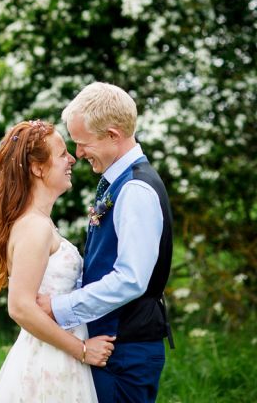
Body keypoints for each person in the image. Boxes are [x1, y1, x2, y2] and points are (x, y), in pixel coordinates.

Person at [36, 82, 174, 403]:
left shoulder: (136, 189)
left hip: (126, 349)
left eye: (83, 143)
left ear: (113, 135)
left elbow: (131, 279)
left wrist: (59, 308)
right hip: (114, 345)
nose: (78, 153)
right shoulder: (116, 182)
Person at [0, 119, 115, 403]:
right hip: (48, 363)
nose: (71, 159)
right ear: (37, 167)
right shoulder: (34, 228)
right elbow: (20, 307)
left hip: (56, 355)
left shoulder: (40, 223)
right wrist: (81, 349)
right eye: (61, 154)